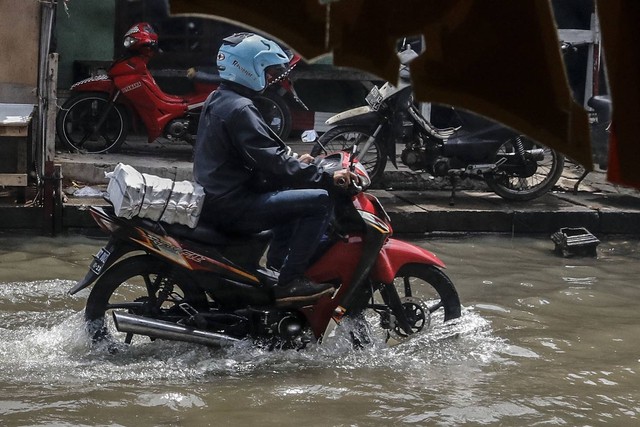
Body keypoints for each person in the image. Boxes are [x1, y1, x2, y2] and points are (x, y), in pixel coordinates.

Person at [193, 32, 356, 307]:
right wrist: (327, 176)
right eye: (267, 71)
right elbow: (273, 161)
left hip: (219, 196)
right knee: (319, 200)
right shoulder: (240, 108)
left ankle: (277, 268)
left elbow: (265, 154)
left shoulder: (220, 98)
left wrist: (297, 163)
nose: (270, 78)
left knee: (289, 193)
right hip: (233, 205)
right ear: (247, 68)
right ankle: (290, 282)